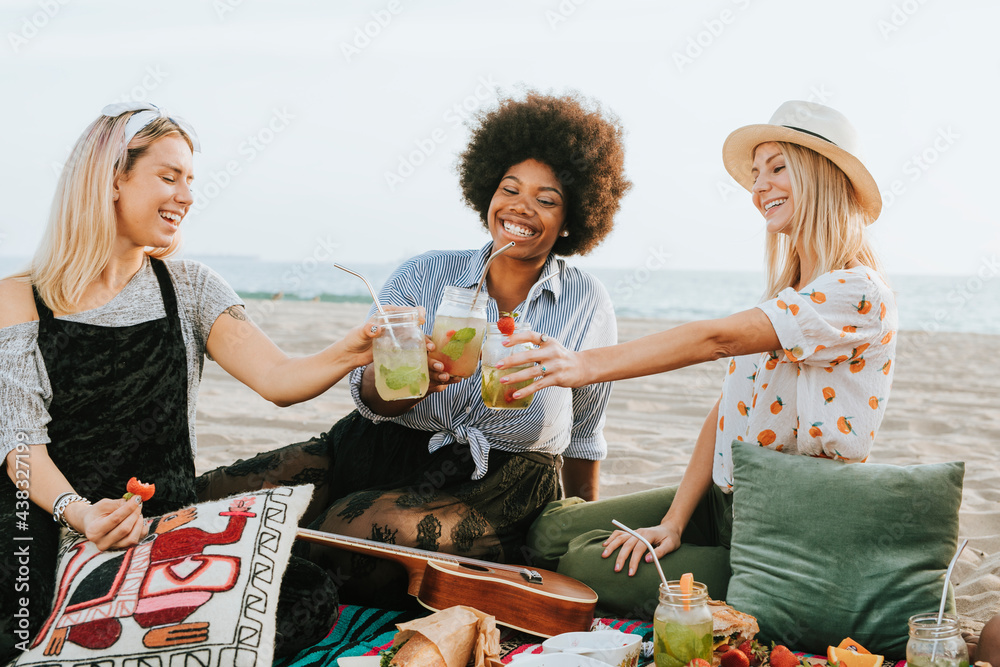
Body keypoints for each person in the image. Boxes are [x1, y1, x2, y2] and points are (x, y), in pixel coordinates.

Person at [196, 90, 632, 606]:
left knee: (349, 536)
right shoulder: (424, 274)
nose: (521, 207)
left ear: (573, 217)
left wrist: (573, 544)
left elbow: (584, 432)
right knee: (214, 502)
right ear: (486, 191)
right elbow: (371, 398)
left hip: (497, 484)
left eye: (546, 199)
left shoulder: (586, 301)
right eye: (509, 188)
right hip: (378, 445)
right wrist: (408, 379)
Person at [0, 102, 384, 659]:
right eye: (168, 176)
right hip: (47, 518)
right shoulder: (20, 296)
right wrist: (80, 512)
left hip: (159, 529)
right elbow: (18, 442)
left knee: (304, 593)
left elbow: (278, 379)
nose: (186, 195)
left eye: (190, 180)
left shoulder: (189, 287)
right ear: (111, 179)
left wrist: (353, 349)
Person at [500, 101, 898, 617]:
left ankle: (742, 579)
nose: (759, 187)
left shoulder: (857, 292)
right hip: (723, 498)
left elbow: (715, 340)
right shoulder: (791, 294)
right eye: (756, 174)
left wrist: (584, 365)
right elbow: (725, 412)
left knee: (581, 565)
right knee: (551, 531)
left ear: (824, 179)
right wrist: (673, 521)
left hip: (782, 530)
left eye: (778, 168)